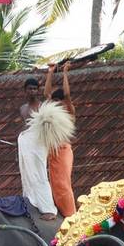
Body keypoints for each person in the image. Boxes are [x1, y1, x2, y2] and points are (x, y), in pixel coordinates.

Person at [17, 76, 57, 220]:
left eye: (35, 89)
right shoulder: (22, 108)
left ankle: (49, 209)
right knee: (27, 174)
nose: (32, 91)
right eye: (30, 89)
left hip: (39, 144)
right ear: (25, 91)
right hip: (26, 143)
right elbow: (26, 126)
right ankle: (31, 203)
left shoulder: (42, 107)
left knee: (40, 173)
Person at [45, 62, 76, 218]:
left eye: (59, 100)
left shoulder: (69, 111)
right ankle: (59, 211)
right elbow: (47, 93)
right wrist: (50, 72)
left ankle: (71, 214)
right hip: (52, 150)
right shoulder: (52, 112)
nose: (57, 103)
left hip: (63, 150)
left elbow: (68, 95)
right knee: (54, 184)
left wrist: (64, 72)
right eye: (54, 101)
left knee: (63, 184)